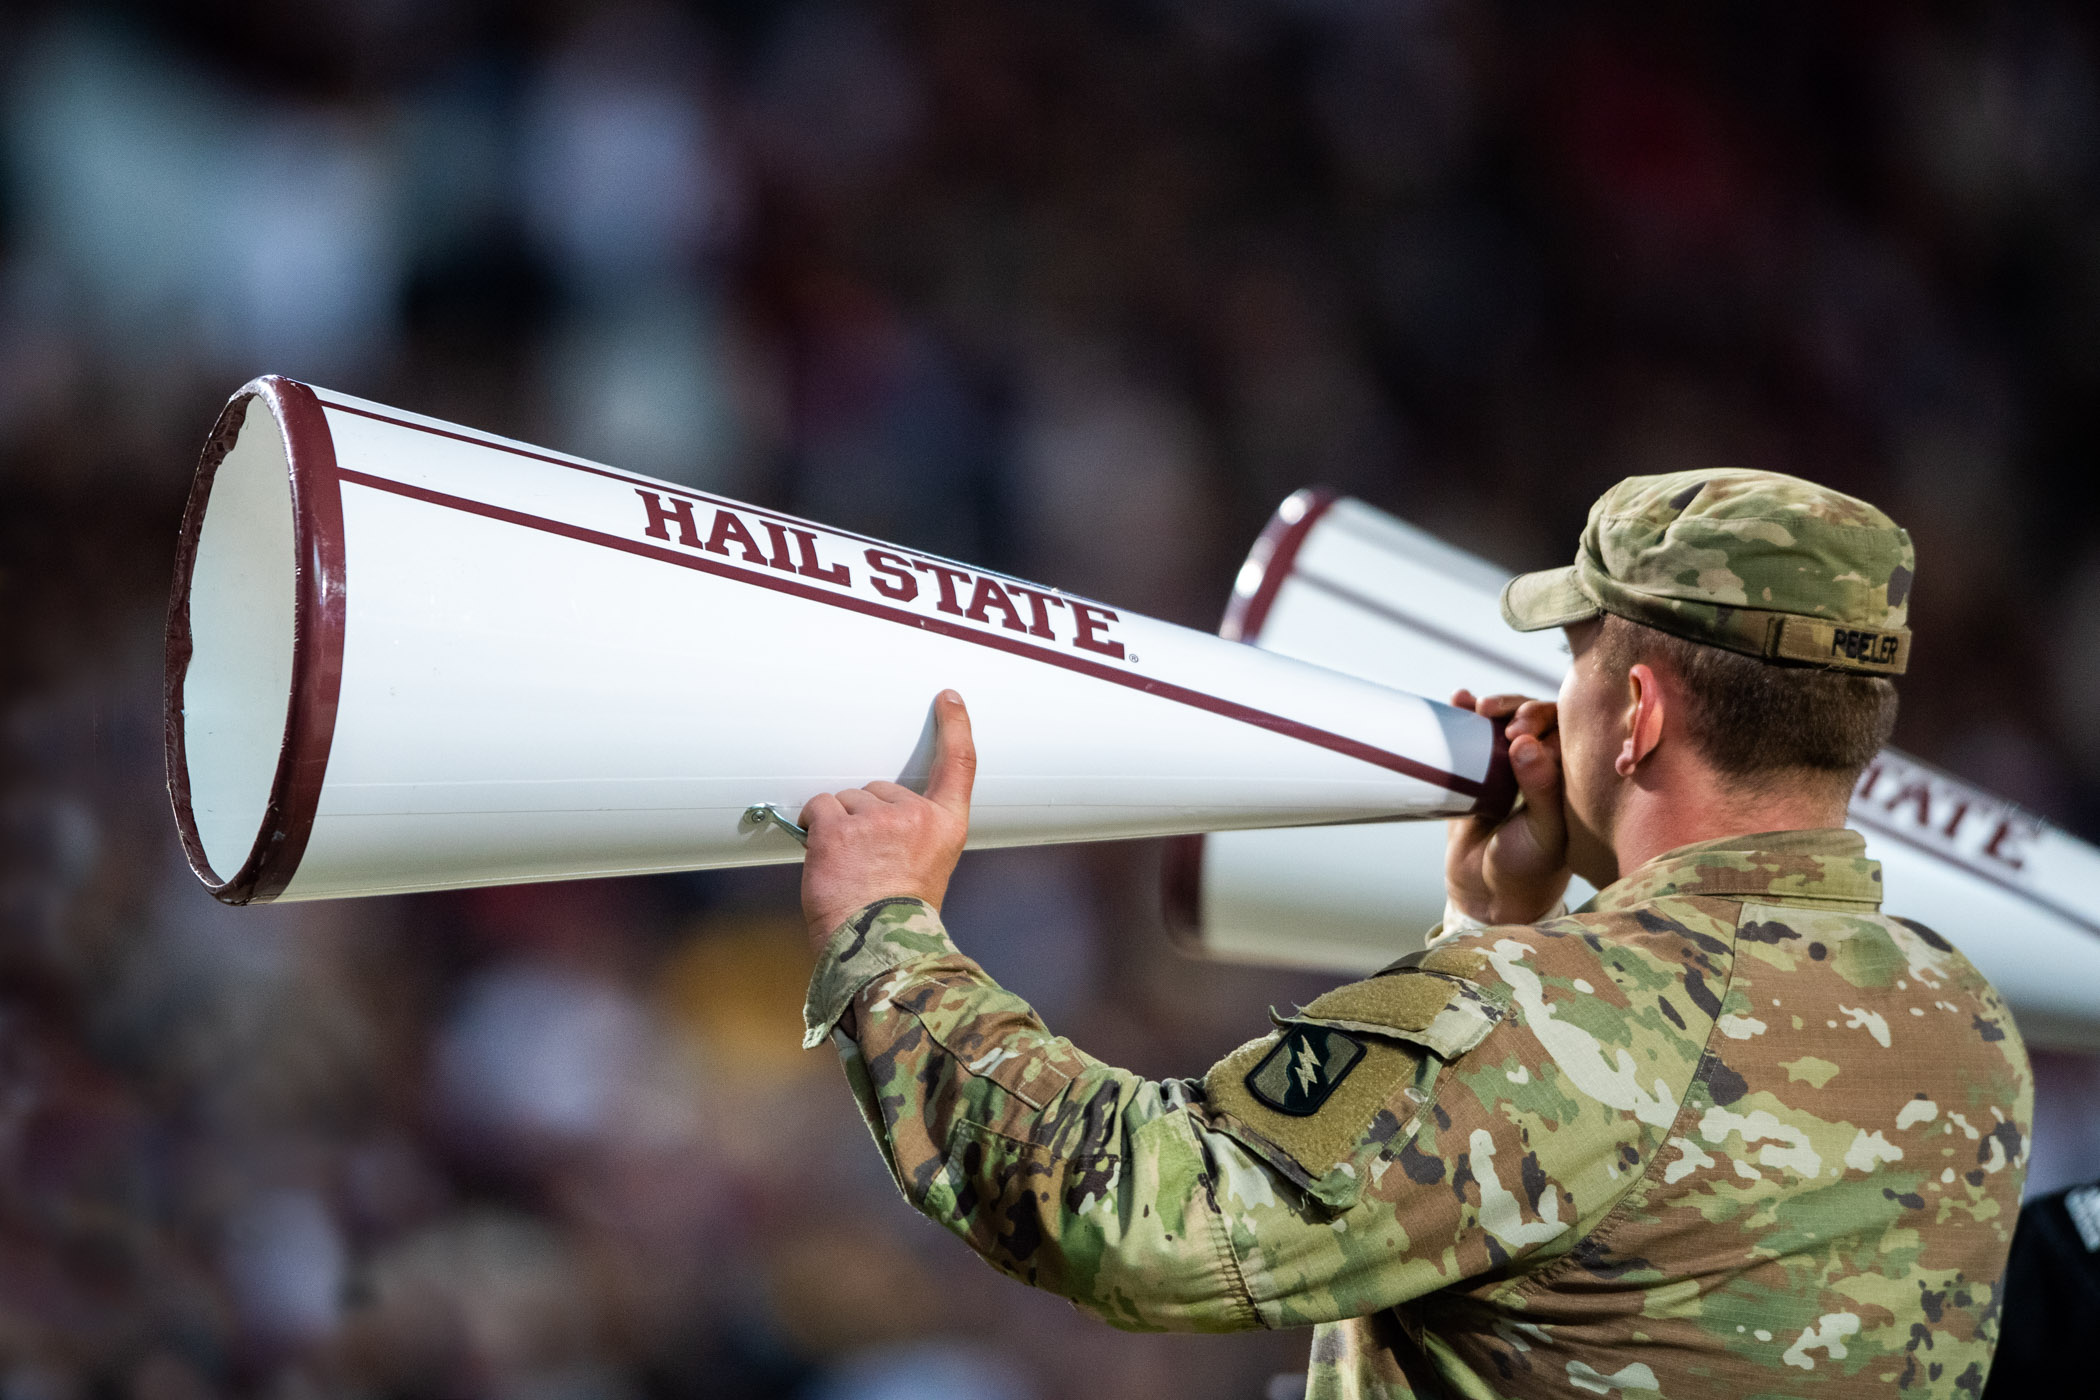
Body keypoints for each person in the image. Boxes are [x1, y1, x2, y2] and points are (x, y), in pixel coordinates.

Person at [791, 471, 2034, 1398]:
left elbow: (1140, 1220)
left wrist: (886, 931)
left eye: (1576, 657)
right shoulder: (1967, 1017)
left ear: (1638, 713)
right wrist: (1485, 926)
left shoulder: (1562, 1010)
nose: (1558, 692)